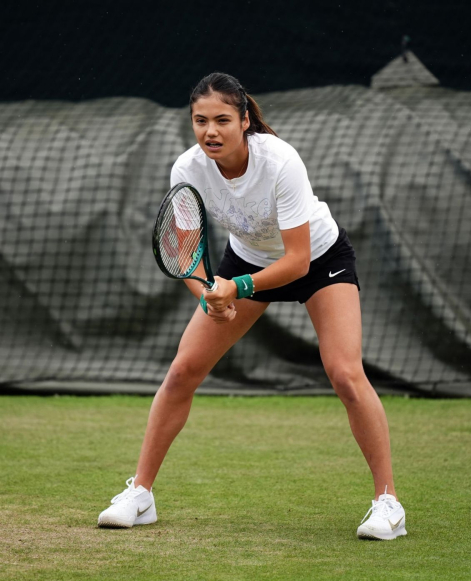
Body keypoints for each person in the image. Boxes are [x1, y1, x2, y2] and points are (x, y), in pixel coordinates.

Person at [97, 72, 407, 541]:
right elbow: (188, 254)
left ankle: (388, 504)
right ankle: (140, 495)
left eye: (222, 119)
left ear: (245, 121)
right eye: (200, 121)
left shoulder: (280, 161)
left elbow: (298, 260)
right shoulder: (187, 169)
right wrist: (207, 294)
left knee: (344, 372)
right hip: (245, 260)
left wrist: (235, 288)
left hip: (319, 261)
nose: (210, 132)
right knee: (183, 371)